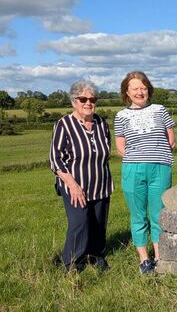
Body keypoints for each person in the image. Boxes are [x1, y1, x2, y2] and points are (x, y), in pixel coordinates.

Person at [114, 71, 176, 274]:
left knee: (158, 213)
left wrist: (157, 155)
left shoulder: (160, 110)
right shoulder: (121, 116)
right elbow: (120, 147)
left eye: (143, 87)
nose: (140, 92)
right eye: (135, 88)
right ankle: (144, 260)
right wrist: (138, 157)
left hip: (160, 166)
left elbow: (171, 140)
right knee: (138, 215)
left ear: (148, 89)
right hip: (133, 169)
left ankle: (159, 256)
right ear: (127, 92)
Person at [50, 80, 113, 272]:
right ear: (74, 102)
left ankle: (95, 257)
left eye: (92, 99)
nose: (88, 103)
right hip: (74, 185)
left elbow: (106, 151)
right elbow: (56, 160)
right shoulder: (64, 125)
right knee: (80, 223)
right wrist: (73, 186)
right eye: (83, 99)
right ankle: (71, 263)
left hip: (100, 183)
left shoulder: (101, 123)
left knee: (98, 224)